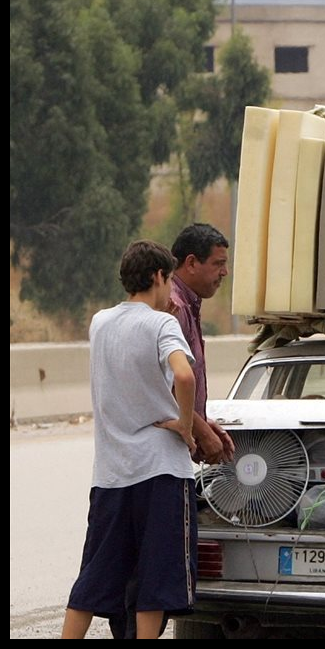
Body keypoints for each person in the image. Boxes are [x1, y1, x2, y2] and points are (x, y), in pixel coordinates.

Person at [62, 240, 198, 639]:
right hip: (161, 471)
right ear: (158, 276)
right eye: (169, 279)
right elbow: (185, 376)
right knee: (154, 578)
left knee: (95, 573)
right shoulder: (162, 325)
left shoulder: (99, 322)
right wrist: (185, 426)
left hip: (110, 473)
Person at [169, 223, 235, 465]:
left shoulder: (189, 303)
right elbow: (165, 385)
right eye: (218, 264)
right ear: (192, 263)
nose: (225, 272)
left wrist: (201, 422)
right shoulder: (174, 306)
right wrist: (202, 431)